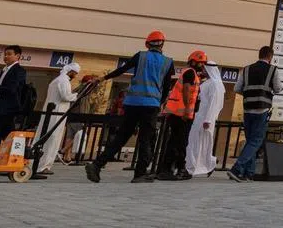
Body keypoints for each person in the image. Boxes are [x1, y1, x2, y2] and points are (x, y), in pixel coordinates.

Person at [86, 31, 176, 183]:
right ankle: (140, 173)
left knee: (122, 136)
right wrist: (160, 103)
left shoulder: (140, 56)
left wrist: (102, 78)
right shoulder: (168, 62)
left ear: (147, 44)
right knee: (146, 139)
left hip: (132, 102)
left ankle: (97, 165)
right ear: (162, 44)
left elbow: (122, 69)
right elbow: (166, 87)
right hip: (151, 105)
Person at [229, 45, 283, 182]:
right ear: (270, 57)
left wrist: (249, 94)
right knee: (256, 141)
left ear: (259, 55)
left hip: (247, 109)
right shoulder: (273, 70)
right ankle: (237, 169)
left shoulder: (247, 69)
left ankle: (249, 173)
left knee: (250, 141)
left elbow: (237, 88)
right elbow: (277, 88)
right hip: (262, 109)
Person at [157, 50, 208, 180]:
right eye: (200, 63)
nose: (201, 66)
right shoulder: (190, 73)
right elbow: (186, 89)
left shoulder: (191, 74)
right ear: (193, 62)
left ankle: (176, 168)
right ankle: (172, 169)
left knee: (177, 141)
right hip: (181, 114)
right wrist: (186, 109)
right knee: (178, 142)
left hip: (179, 113)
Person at [34, 62, 81, 174]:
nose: (75, 76)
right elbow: (66, 96)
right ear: (71, 72)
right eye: (75, 73)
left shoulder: (57, 80)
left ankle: (38, 163)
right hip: (57, 113)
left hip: (52, 113)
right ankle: (44, 166)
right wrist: (77, 96)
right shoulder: (63, 81)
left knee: (46, 137)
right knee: (53, 139)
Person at [186, 62, 224, 176]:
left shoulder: (215, 84)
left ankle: (196, 166)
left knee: (199, 143)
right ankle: (207, 163)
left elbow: (214, 103)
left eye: (204, 69)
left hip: (205, 118)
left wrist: (208, 119)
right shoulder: (208, 82)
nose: (202, 71)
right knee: (195, 142)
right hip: (200, 116)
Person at [0, 45, 27, 144]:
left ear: (17, 56)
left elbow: (12, 89)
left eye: (9, 54)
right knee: (7, 135)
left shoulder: (19, 70)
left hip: (8, 109)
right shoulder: (4, 70)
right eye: (5, 54)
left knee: (8, 136)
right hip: (1, 108)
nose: (6, 56)